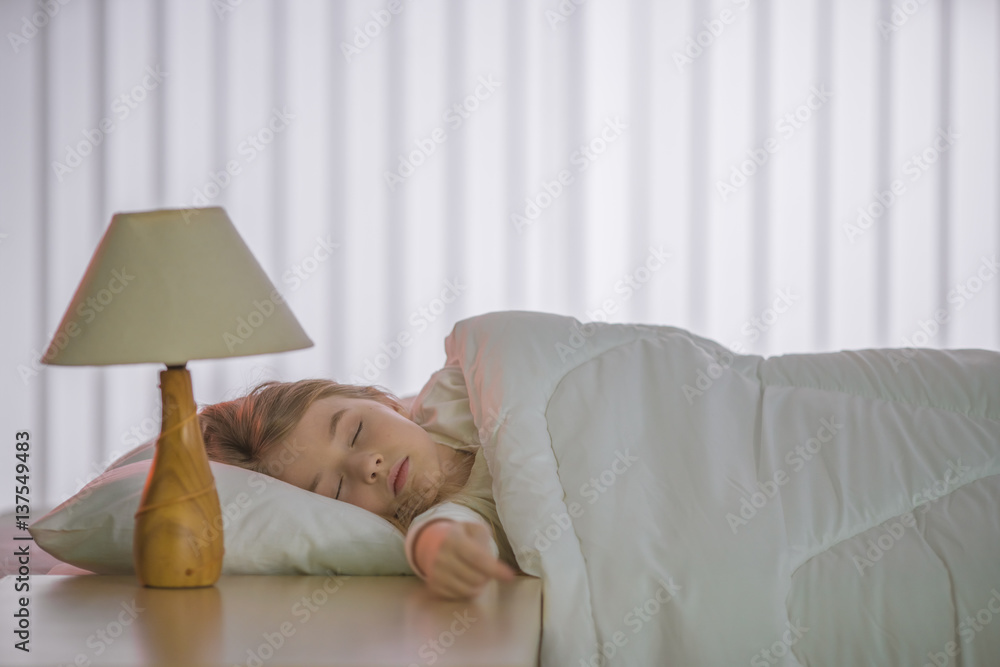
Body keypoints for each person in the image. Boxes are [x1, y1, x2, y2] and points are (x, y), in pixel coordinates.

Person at [198, 371, 517, 599]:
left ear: (385, 401)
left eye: (356, 432)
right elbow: (442, 536)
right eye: (336, 488)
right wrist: (439, 549)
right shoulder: (456, 512)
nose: (367, 465)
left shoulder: (455, 389)